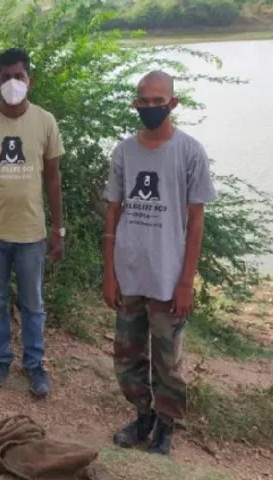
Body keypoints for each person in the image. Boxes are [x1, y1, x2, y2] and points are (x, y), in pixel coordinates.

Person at [102, 70, 217, 454]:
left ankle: (166, 428)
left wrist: (187, 281)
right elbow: (113, 213)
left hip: (169, 279)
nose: (150, 107)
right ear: (135, 104)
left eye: (158, 101)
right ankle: (143, 417)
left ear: (172, 103)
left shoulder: (189, 152)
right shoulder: (124, 152)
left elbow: (196, 221)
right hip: (130, 273)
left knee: (168, 362)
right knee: (127, 357)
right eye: (143, 101)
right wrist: (109, 273)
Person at [0, 48, 65, 398]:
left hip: (32, 233)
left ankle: (35, 366)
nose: (12, 83)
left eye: (18, 76)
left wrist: (58, 229)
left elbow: (53, 179)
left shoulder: (45, 122)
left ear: (29, 81)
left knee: (33, 304)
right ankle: (1, 359)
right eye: (5, 77)